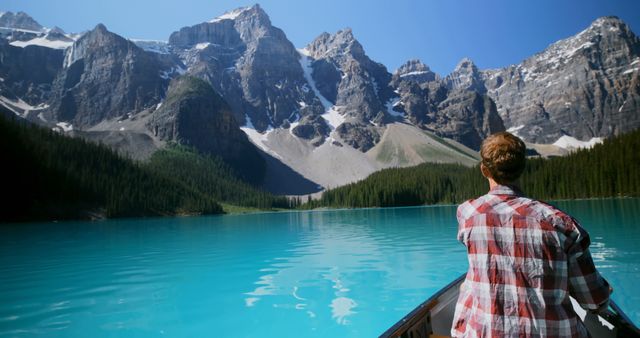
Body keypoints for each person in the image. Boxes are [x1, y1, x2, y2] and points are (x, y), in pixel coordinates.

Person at [451, 132, 611, 337]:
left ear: (484, 170)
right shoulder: (562, 225)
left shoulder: (468, 213)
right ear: (522, 168)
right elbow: (594, 301)